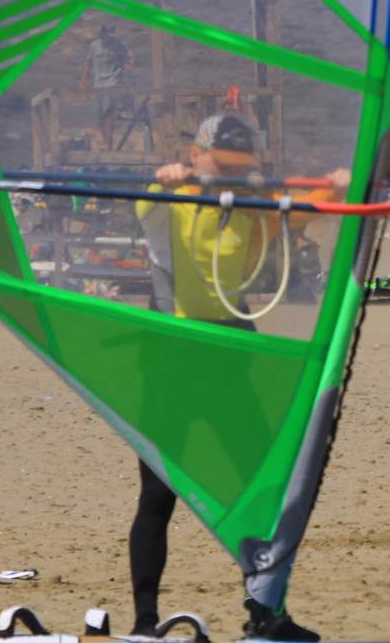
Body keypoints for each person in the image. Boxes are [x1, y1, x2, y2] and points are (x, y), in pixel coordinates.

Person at [129, 114, 342, 640]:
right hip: (172, 359)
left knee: (260, 491)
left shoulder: (252, 205)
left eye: (237, 167)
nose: (227, 174)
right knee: (157, 496)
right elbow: (146, 204)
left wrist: (342, 185)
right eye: (219, 164)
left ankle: (266, 615)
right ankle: (144, 622)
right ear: (195, 155)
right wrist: (168, 179)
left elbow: (314, 204)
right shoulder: (170, 200)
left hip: (230, 356)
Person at [79, 24, 135, 150]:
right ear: (102, 34)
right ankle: (106, 142)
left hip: (113, 82)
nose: (110, 38)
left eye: (112, 35)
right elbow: (88, 63)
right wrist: (83, 79)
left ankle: (109, 146)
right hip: (98, 83)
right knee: (100, 114)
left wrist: (128, 67)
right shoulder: (94, 46)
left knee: (108, 113)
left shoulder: (118, 44)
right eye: (108, 35)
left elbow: (131, 56)